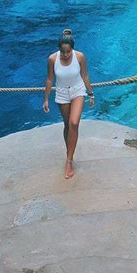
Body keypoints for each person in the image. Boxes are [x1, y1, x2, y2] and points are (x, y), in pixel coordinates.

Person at [42, 29, 94, 179]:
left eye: (68, 52)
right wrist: (46, 99)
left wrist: (91, 93)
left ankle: (69, 161)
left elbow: (84, 75)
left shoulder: (79, 57)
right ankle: (69, 152)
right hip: (62, 93)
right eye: (63, 52)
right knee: (67, 125)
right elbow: (50, 79)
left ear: (72, 48)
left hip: (78, 91)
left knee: (74, 122)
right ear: (59, 49)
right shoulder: (52, 59)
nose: (65, 55)